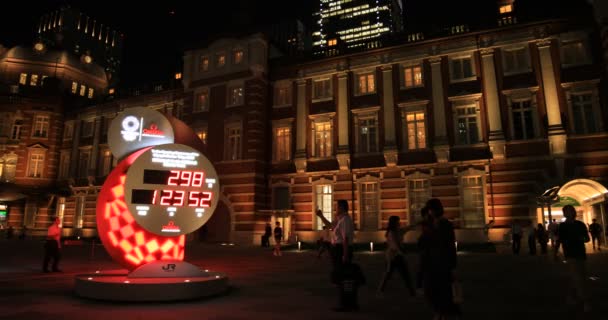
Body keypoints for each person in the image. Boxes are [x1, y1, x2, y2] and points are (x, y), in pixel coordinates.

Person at [422, 198, 461, 320]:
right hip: (433, 263)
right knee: (432, 291)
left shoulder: (445, 225)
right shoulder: (430, 225)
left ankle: (441, 313)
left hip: (443, 263)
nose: (429, 212)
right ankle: (440, 312)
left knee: (442, 291)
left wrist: (453, 266)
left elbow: (450, 247)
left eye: (430, 209)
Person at [316, 199, 355, 311]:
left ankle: (344, 303)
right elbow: (330, 226)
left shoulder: (345, 220)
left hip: (341, 250)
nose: (335, 209)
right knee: (339, 276)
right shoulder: (340, 220)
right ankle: (343, 302)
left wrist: (345, 254)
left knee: (341, 277)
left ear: (342, 208)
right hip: (338, 249)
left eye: (337, 207)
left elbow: (346, 239)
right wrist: (321, 216)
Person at [554, 205, 591, 312]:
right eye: (567, 211)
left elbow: (587, 239)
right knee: (578, 278)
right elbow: (559, 240)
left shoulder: (580, 224)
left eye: (571, 211)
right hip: (570, 255)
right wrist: (555, 253)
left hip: (581, 253)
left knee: (580, 277)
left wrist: (582, 238)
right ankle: (585, 301)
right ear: (565, 214)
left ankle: (570, 296)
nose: (569, 213)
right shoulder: (562, 226)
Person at [377, 216, 416, 297]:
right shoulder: (391, 233)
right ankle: (381, 289)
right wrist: (401, 251)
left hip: (396, 255)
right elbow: (394, 245)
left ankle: (411, 291)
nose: (399, 223)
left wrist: (416, 224)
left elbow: (407, 228)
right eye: (398, 221)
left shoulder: (398, 230)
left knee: (398, 273)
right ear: (394, 223)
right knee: (392, 273)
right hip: (393, 256)